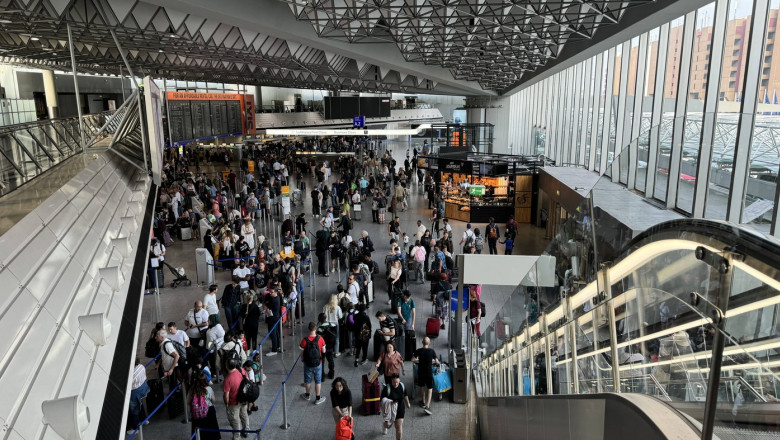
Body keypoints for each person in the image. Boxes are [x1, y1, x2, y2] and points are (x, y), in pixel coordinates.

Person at [300, 322, 328, 405]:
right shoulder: (320, 339)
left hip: (307, 363)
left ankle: (307, 395)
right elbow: (324, 351)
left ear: (309, 329)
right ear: (315, 329)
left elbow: (301, 352)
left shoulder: (304, 340)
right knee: (318, 381)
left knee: (307, 380)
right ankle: (318, 398)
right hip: (318, 363)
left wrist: (303, 359)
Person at [189, 371, 221, 439]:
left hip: (196, 413)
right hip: (209, 412)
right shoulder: (208, 389)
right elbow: (214, 400)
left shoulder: (191, 390)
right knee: (211, 430)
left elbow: (188, 402)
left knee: (198, 432)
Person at [222, 358, 249, 440]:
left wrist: (226, 404)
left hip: (234, 403)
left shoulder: (227, 379)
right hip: (243, 399)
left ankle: (237, 436)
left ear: (227, 366)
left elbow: (226, 395)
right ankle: (246, 431)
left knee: (235, 419)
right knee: (244, 415)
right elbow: (247, 380)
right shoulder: (241, 370)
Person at [412, 337, 439, 415]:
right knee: (430, 387)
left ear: (422, 342)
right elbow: (437, 362)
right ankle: (428, 405)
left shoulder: (419, 351)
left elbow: (412, 359)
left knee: (422, 386)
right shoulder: (432, 351)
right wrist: (436, 363)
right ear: (429, 343)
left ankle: (423, 401)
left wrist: (418, 361)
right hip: (429, 372)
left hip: (421, 372)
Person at [380, 373, 411, 438]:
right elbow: (382, 400)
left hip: (400, 410)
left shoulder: (402, 385)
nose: (395, 384)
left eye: (397, 382)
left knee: (398, 428)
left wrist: (408, 403)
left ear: (399, 380)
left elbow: (405, 394)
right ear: (391, 381)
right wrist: (390, 402)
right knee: (388, 425)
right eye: (394, 382)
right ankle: (385, 426)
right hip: (390, 410)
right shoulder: (387, 388)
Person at [126, 358, 150, 435]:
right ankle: (144, 419)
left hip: (135, 392)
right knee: (140, 403)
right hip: (143, 387)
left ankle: (134, 428)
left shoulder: (131, 374)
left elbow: (128, 385)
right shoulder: (141, 366)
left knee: (134, 410)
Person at [317, 312, 338, 379]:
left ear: (321, 318)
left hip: (323, 348)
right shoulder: (331, 325)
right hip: (330, 347)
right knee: (330, 360)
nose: (318, 318)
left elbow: (318, 339)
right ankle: (331, 374)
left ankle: (322, 376)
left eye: (319, 317)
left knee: (322, 362)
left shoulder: (320, 328)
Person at [263, 284, 282, 356]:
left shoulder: (275, 300)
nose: (270, 293)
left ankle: (274, 349)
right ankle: (277, 346)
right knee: (275, 333)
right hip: (272, 317)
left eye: (272, 292)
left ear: (276, 292)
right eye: (270, 292)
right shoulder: (271, 297)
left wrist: (267, 308)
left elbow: (266, 308)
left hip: (273, 318)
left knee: (273, 333)